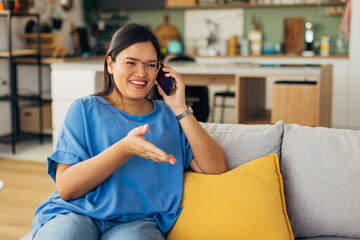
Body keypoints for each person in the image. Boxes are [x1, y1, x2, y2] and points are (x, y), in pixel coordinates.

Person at [32, 23, 227, 240]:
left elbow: (216, 168)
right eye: (131, 62)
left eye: (151, 65)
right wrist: (125, 149)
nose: (141, 73)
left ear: (160, 71)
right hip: (77, 213)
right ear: (110, 64)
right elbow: (67, 189)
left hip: (138, 223)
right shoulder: (84, 110)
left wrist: (180, 108)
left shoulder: (170, 116)